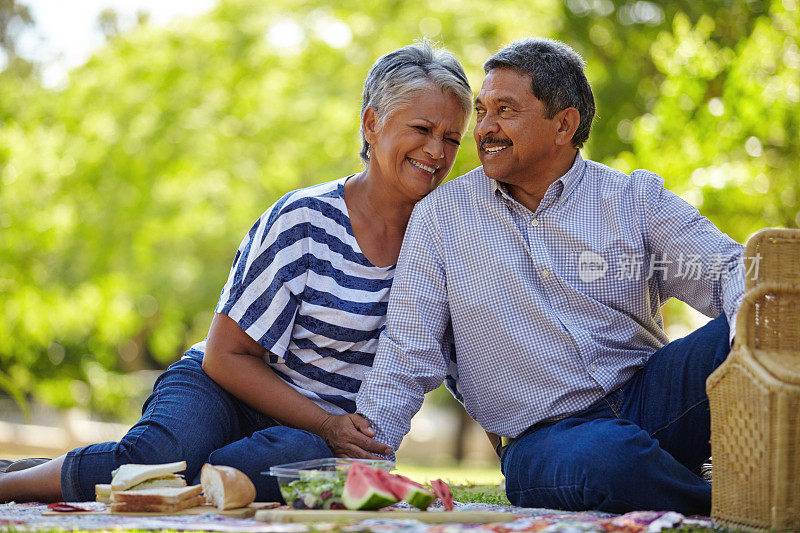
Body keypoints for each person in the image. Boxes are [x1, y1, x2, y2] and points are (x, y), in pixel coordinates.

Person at [0, 41, 472, 504]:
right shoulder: (303, 220)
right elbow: (224, 357)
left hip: (302, 435)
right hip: (220, 388)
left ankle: (179, 479)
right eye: (422, 128)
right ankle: (12, 484)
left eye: (452, 138)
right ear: (372, 123)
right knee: (163, 455)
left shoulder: (440, 246)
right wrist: (327, 424)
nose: (436, 150)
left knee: (302, 461)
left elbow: (469, 361)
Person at [356, 38, 744, 516]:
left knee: (768, 318)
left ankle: (665, 472)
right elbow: (407, 355)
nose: (485, 129)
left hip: (651, 397)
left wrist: (753, 323)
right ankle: (734, 502)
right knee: (607, 459)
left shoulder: (633, 199)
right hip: (544, 441)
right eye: (482, 111)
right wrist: (360, 468)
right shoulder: (440, 219)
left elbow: (731, 267)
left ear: (564, 124)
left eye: (505, 110)